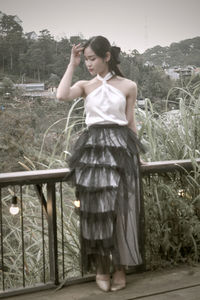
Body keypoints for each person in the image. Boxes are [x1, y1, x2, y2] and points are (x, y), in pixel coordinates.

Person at [57, 36, 145, 292]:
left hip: (120, 148)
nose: (89, 64)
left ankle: (120, 268)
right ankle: (101, 268)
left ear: (107, 57)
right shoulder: (85, 85)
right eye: (86, 59)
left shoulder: (128, 85)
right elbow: (62, 95)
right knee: (96, 212)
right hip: (93, 151)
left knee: (120, 212)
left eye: (92, 58)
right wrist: (72, 64)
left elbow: (130, 122)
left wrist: (136, 155)